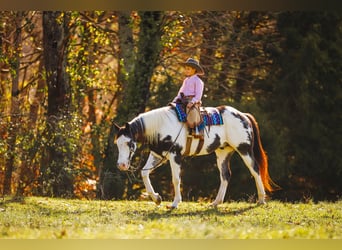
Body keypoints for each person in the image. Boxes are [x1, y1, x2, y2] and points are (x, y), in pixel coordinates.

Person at [172, 58, 205, 138]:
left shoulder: (198, 81)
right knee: (173, 109)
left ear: (194, 70)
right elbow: (181, 92)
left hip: (192, 100)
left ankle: (196, 130)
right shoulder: (186, 80)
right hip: (183, 99)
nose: (186, 71)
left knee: (192, 111)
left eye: (188, 69)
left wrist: (192, 102)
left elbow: (198, 95)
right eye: (185, 69)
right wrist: (175, 100)